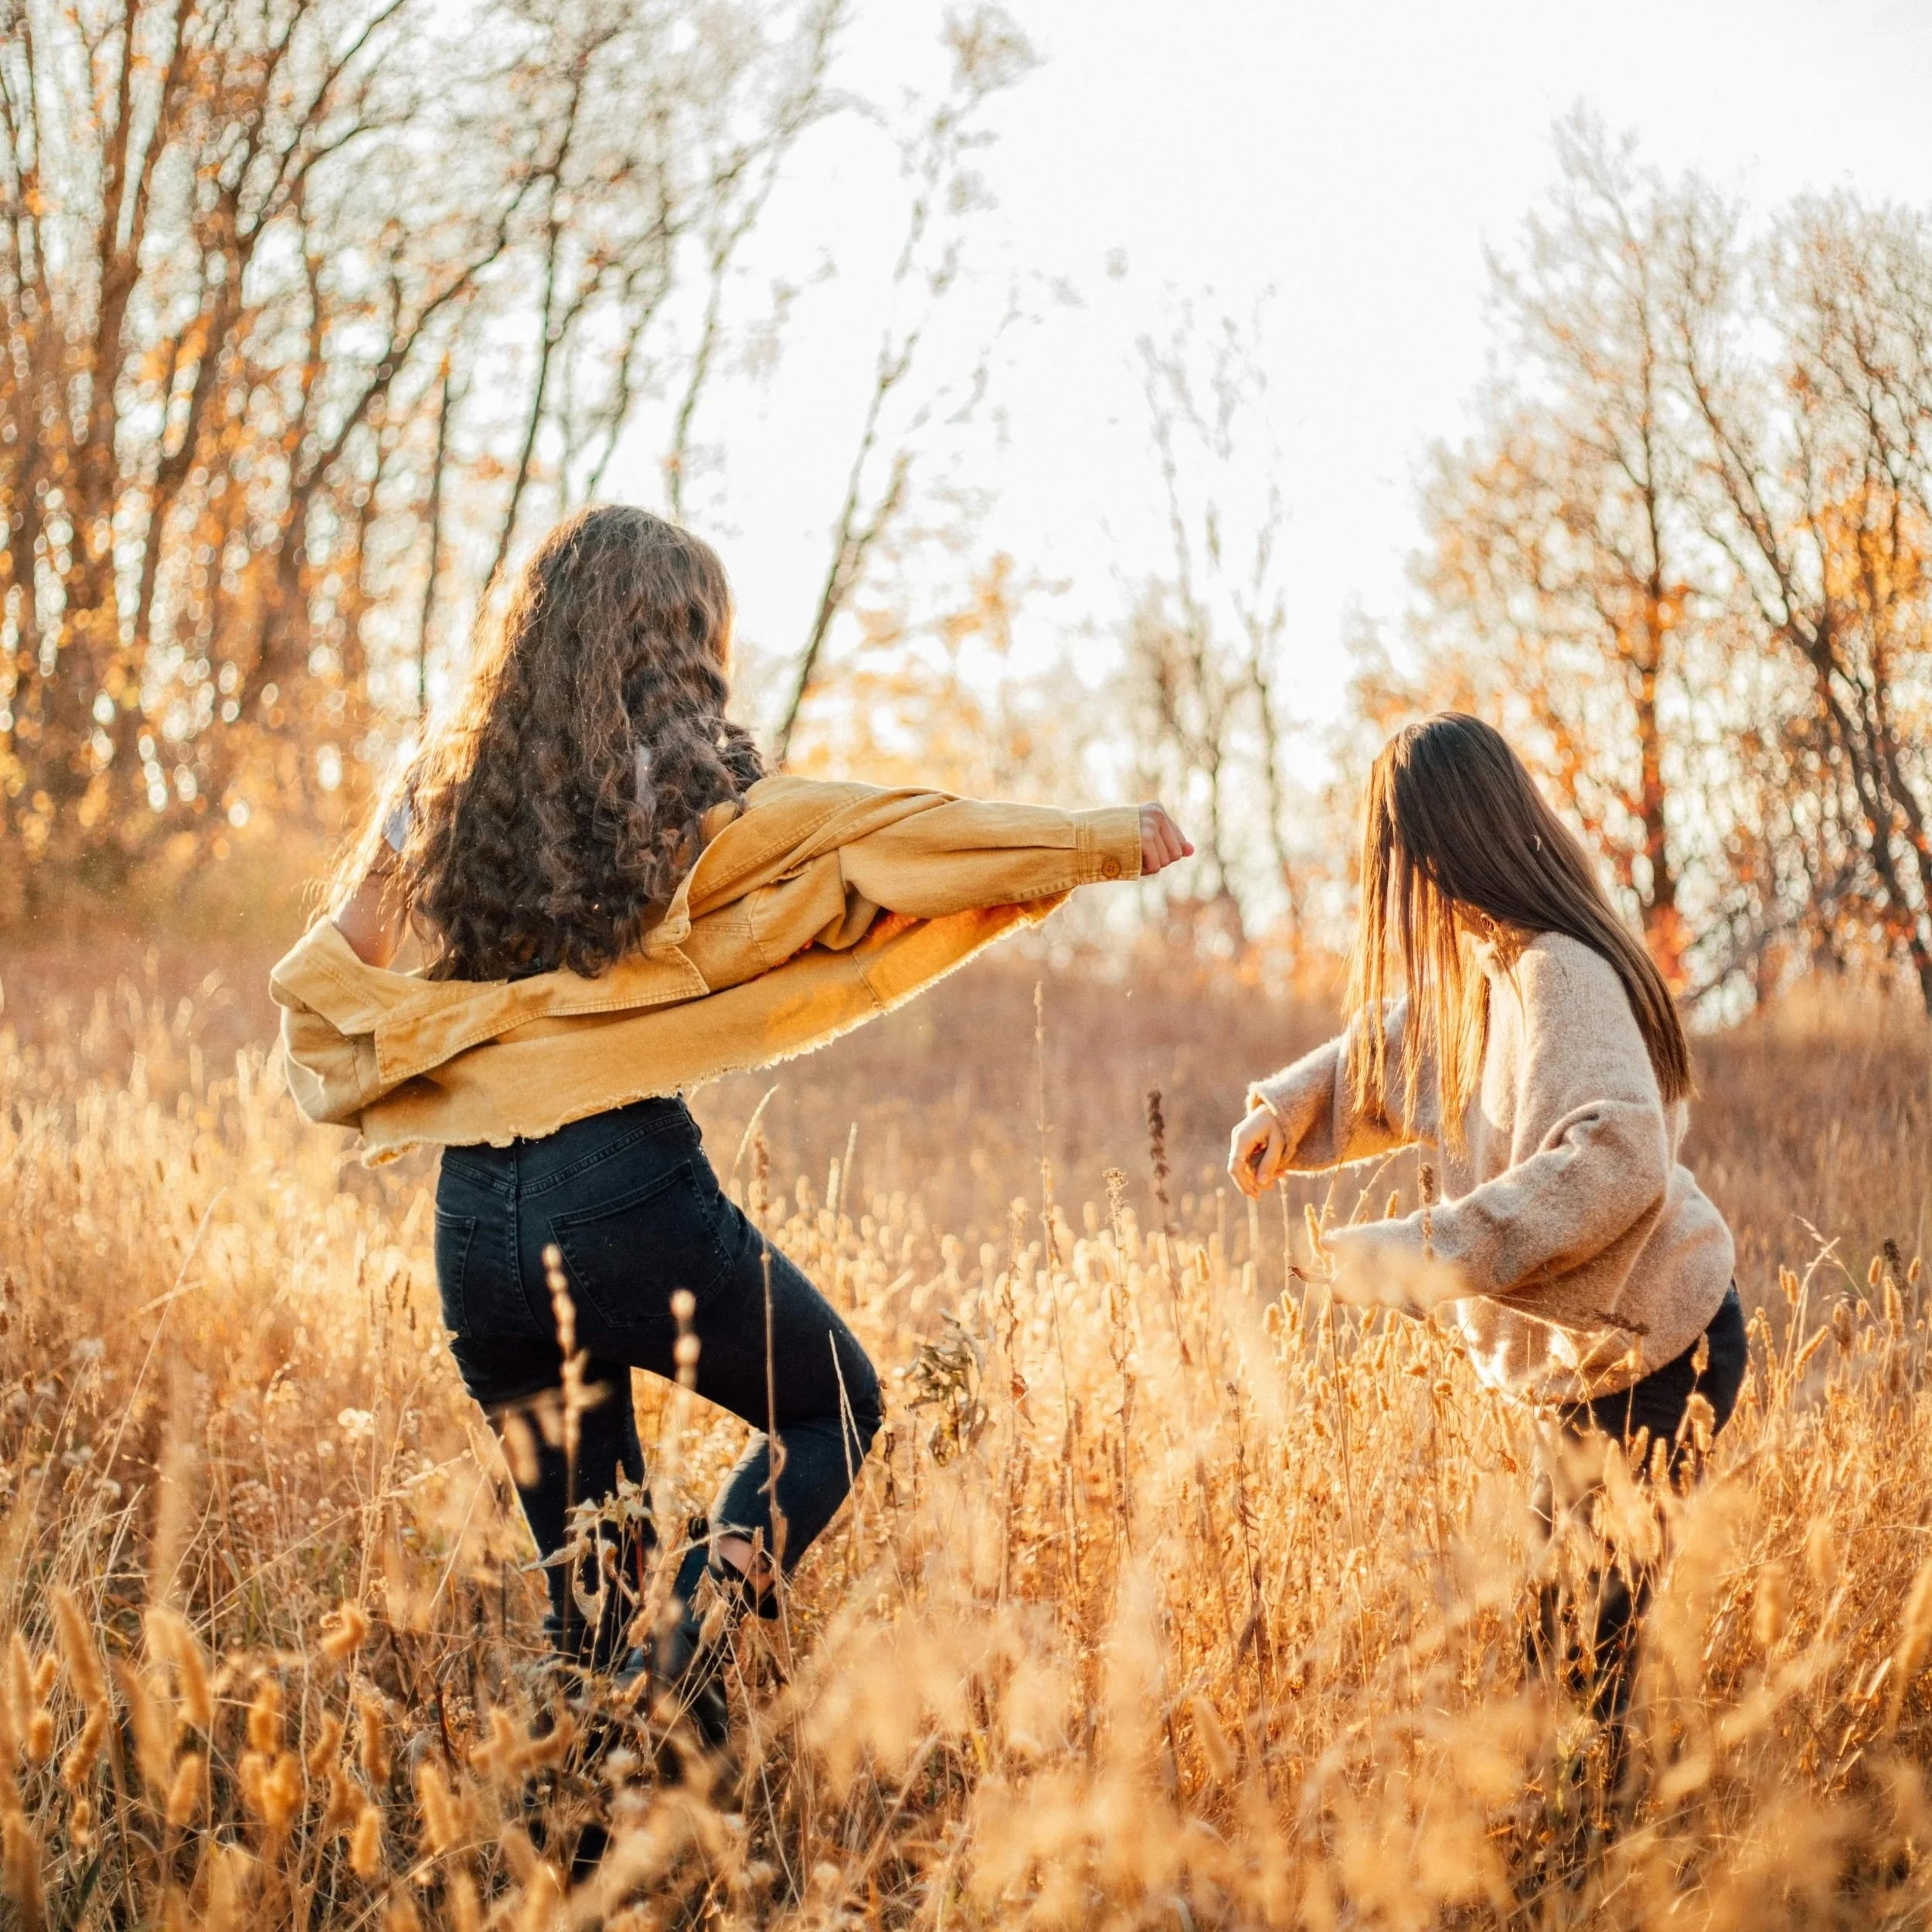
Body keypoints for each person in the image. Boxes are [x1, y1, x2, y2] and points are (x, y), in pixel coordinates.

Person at [272, 504, 1191, 1749]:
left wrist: (447, 1034)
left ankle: (602, 1822)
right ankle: (686, 1664)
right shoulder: (693, 799)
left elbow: (335, 972)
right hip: (617, 1192)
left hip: (473, 1225)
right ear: (680, 646)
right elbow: (891, 837)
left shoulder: (439, 791)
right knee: (837, 1410)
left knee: (590, 1603)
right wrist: (1097, 841)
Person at [1228, 712, 1743, 1763]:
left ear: (1447, 845)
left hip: (1657, 1353)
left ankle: (1577, 1889)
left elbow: (1617, 1160)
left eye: (1400, 855)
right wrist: (1285, 1111)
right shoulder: (1490, 968)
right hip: (1594, 1363)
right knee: (1557, 1661)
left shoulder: (1560, 974)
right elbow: (1392, 1048)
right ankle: (1563, 1873)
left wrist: (1420, 1251)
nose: (1396, 884)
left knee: (1578, 1675)